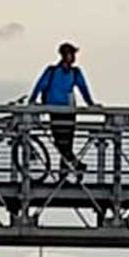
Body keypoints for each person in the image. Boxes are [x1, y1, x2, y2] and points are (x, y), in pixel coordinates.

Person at [27, 42, 96, 180]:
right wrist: (32, 101)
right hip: (55, 111)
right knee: (60, 142)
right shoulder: (52, 71)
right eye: (71, 54)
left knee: (66, 143)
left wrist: (91, 104)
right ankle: (76, 166)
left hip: (69, 112)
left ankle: (63, 175)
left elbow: (83, 88)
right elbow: (40, 85)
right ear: (65, 55)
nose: (73, 58)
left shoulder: (75, 72)